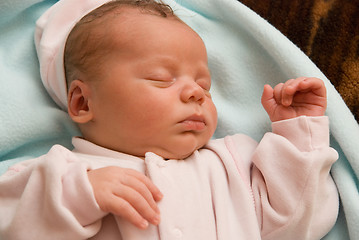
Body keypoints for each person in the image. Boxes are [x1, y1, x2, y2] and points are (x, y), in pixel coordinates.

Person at [0, 0, 339, 239]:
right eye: (163, 78)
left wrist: (298, 132)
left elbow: (300, 223)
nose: (196, 93)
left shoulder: (233, 162)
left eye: (204, 85)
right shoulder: (61, 174)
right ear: (82, 101)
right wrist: (79, 195)